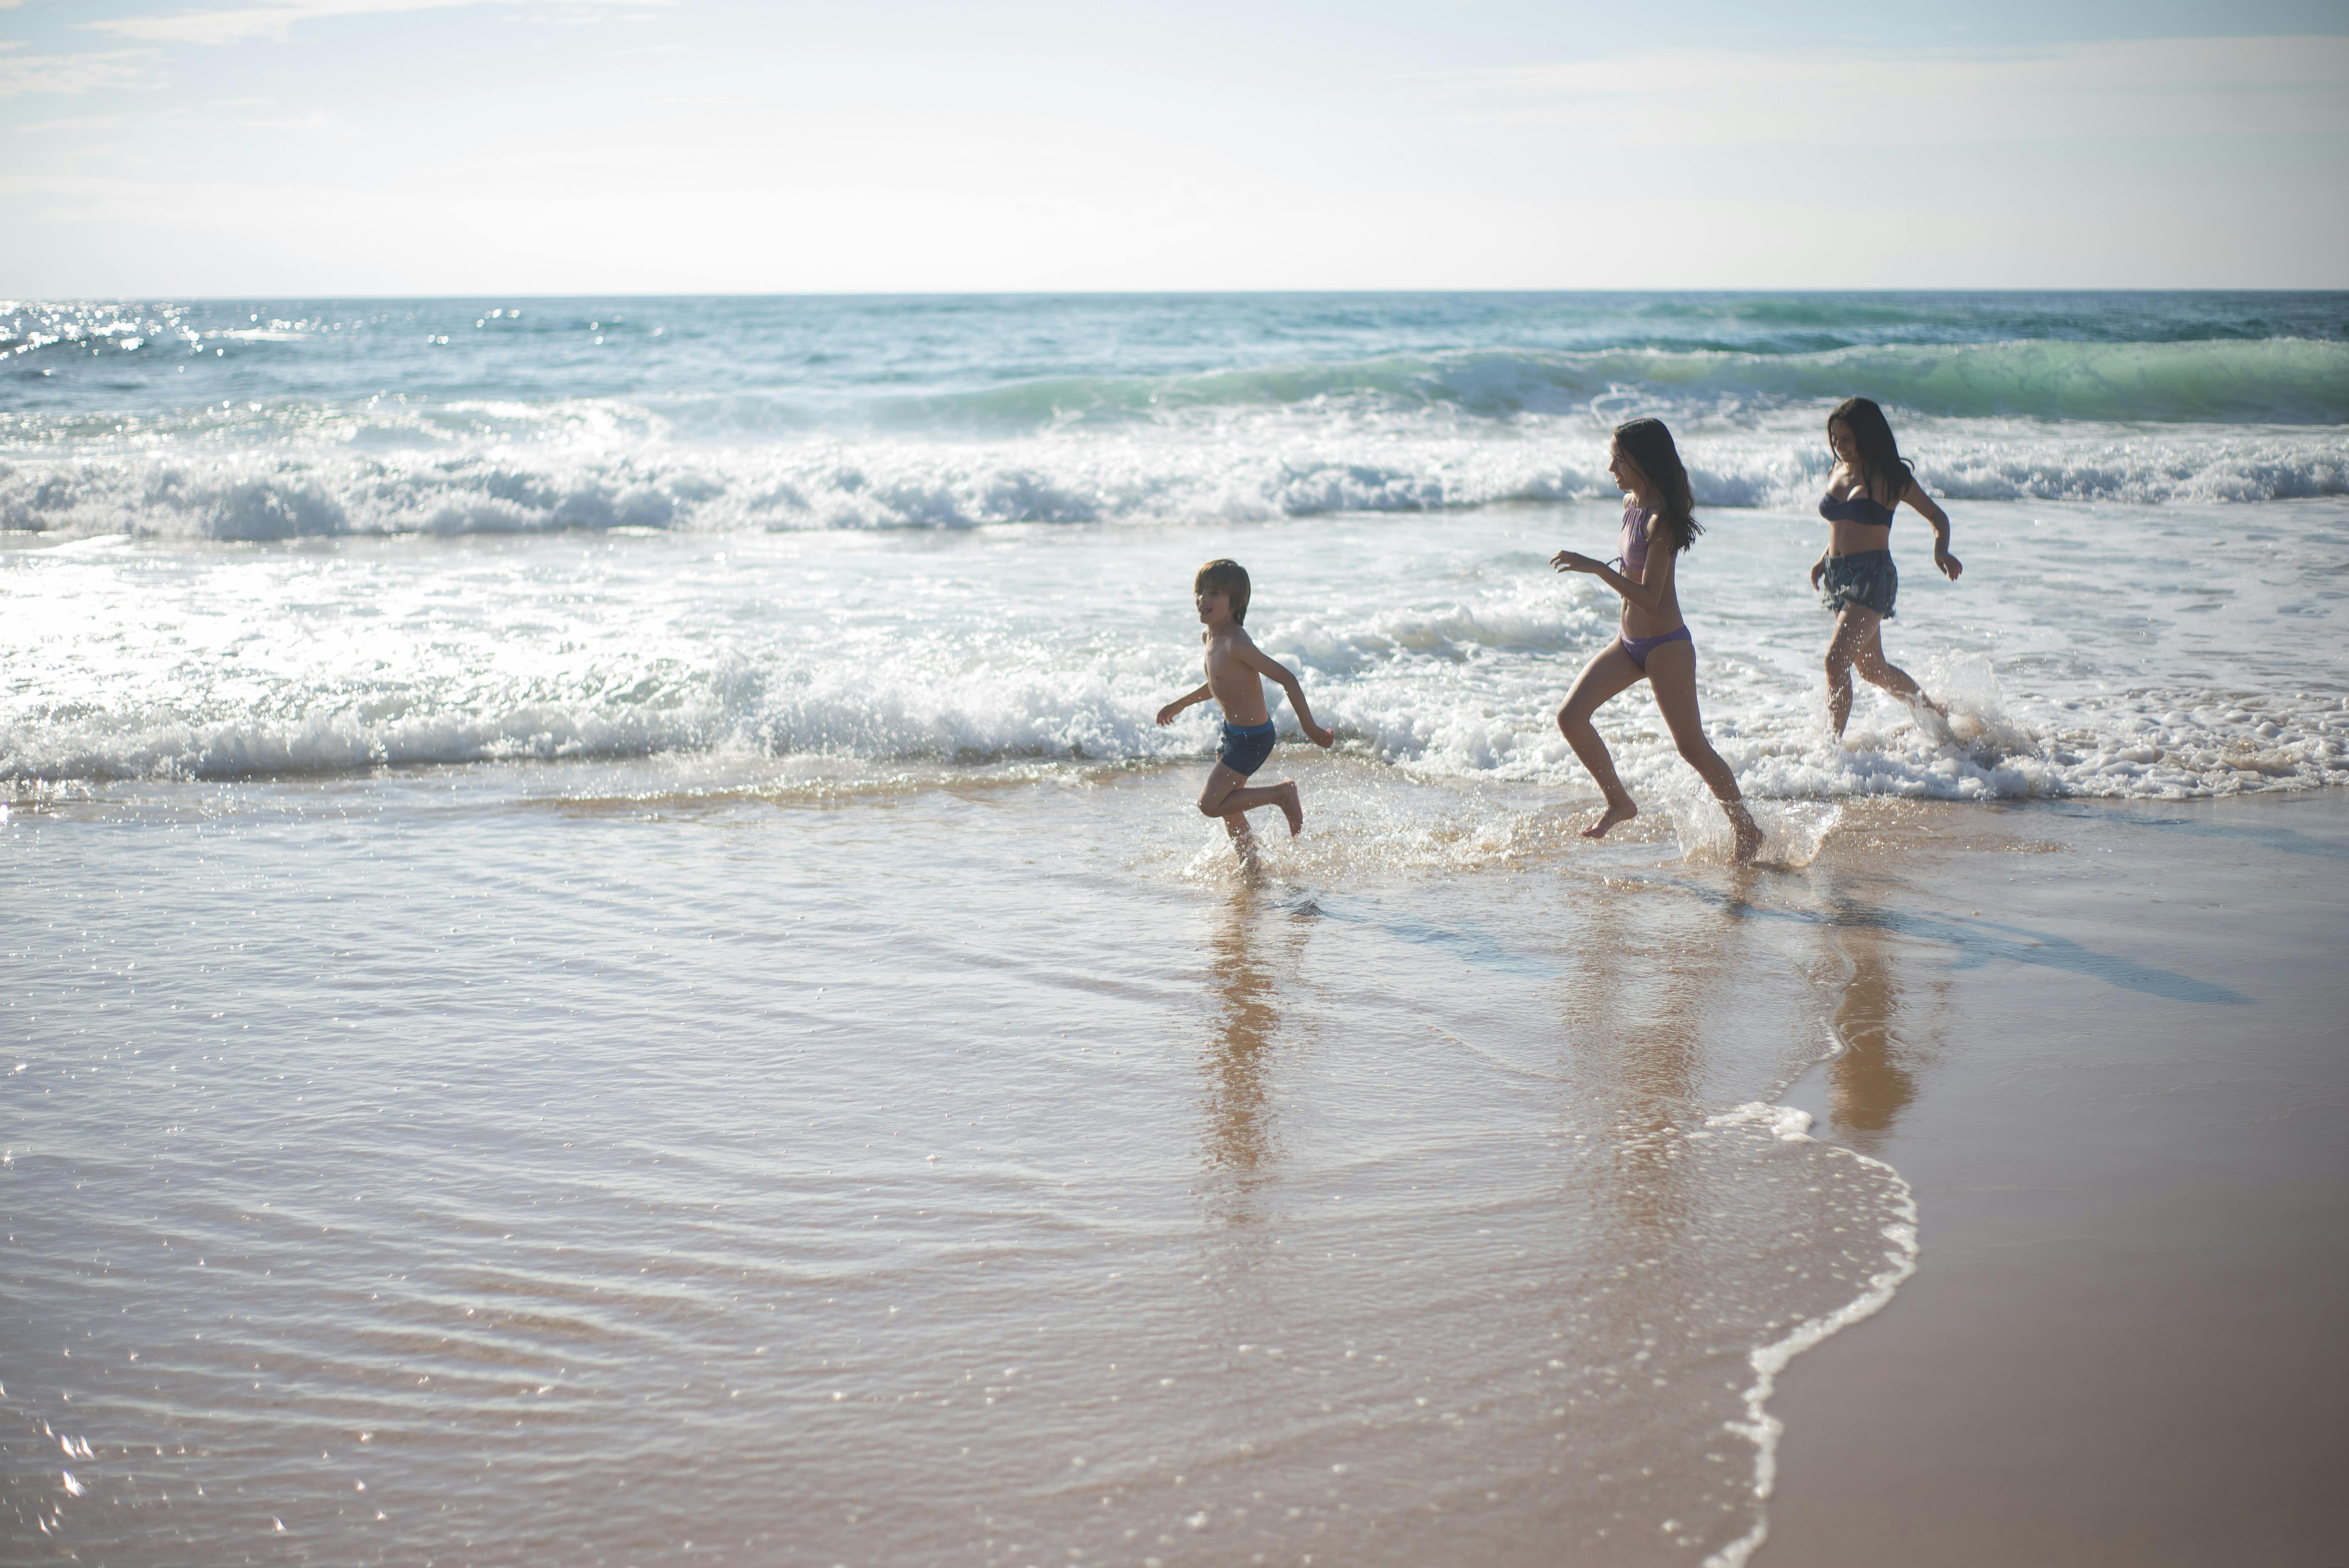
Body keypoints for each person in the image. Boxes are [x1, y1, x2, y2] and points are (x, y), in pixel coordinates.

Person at [1551, 418, 1763, 863]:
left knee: (1692, 747)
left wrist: (1597, 568)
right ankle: (1619, 802)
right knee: (1570, 717)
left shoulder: (1660, 521)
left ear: (1642, 462)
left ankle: (1747, 830)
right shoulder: (1631, 502)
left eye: (1619, 459)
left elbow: (1649, 598)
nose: (1611, 467)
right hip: (1627, 645)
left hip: (1666, 646)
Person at [1156, 558, 1334, 856]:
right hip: (1231, 733)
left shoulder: (1236, 642)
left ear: (1235, 601)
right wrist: (1180, 704)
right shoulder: (1211, 636)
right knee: (1229, 803)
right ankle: (1249, 860)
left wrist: (1311, 729)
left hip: (1253, 739)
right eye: (1200, 591)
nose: (1203, 599)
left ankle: (1281, 794)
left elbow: (1286, 678)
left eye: (1214, 593)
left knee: (1210, 804)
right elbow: (1218, 683)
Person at [1811, 396, 1961, 739]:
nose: (1839, 445)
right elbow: (1844, 525)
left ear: (1867, 436)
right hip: (1839, 575)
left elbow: (1937, 516)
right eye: (1834, 438)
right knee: (1872, 669)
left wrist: (1942, 550)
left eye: (1846, 439)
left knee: (1835, 663)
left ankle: (1830, 749)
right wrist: (1824, 560)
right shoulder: (1839, 469)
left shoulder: (1891, 478)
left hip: (1872, 577)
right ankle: (1933, 714)